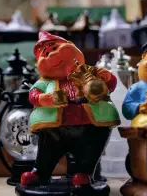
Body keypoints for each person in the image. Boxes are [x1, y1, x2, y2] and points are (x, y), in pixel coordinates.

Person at [20, 31, 120, 190]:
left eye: (55, 48)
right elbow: (33, 95)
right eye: (45, 54)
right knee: (47, 150)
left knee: (90, 150)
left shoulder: (89, 71)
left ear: (72, 48)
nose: (52, 55)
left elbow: (110, 86)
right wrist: (46, 99)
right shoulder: (45, 82)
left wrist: (107, 78)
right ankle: (40, 173)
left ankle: (84, 173)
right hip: (56, 129)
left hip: (90, 125)